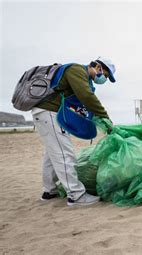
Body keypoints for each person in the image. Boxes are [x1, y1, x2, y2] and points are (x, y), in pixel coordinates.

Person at [32, 57, 116, 206]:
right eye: (105, 75)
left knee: (51, 155)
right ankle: (76, 196)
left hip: (48, 114)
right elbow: (86, 97)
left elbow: (82, 104)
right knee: (65, 153)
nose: (104, 78)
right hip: (49, 112)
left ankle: (49, 191)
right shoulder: (77, 70)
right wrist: (105, 116)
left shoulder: (84, 78)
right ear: (98, 66)